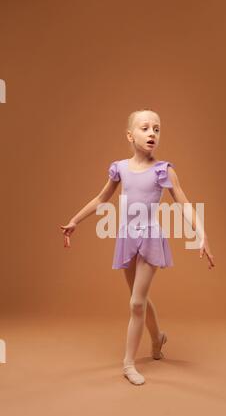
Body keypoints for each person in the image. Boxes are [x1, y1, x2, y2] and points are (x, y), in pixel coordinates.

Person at [60, 108, 215, 386]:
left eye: (156, 128)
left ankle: (128, 364)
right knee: (138, 299)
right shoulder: (119, 168)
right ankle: (157, 338)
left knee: (135, 303)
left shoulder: (163, 170)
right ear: (130, 135)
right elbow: (101, 198)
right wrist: (75, 220)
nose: (152, 133)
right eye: (145, 128)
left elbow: (184, 203)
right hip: (126, 237)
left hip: (151, 237)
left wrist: (202, 234)